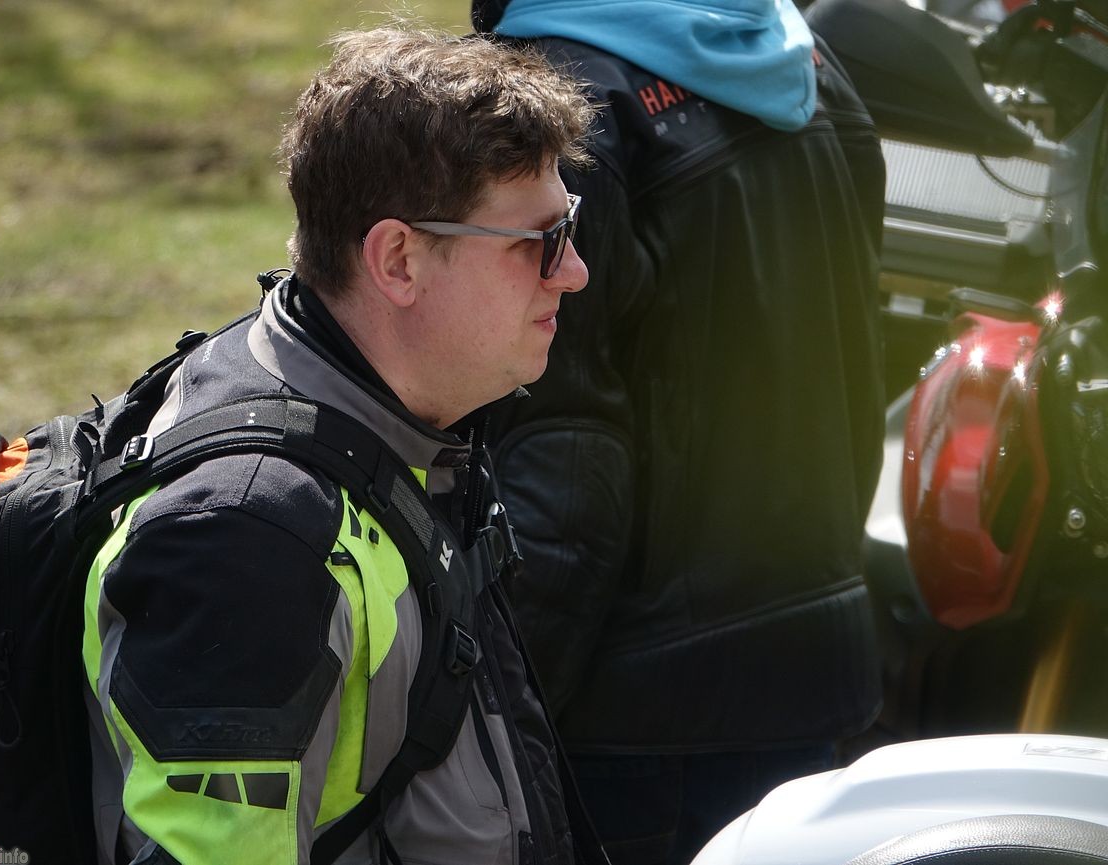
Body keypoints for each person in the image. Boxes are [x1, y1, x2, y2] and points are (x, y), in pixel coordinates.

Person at [81, 26, 606, 865]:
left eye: (568, 226)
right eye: (537, 242)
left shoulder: (403, 411)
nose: (573, 271)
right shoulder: (249, 540)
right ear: (398, 260)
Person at [472, 1, 888, 862]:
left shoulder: (560, 103)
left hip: (623, 722)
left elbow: (561, 462)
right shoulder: (797, 57)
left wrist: (482, 719)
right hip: (811, 673)